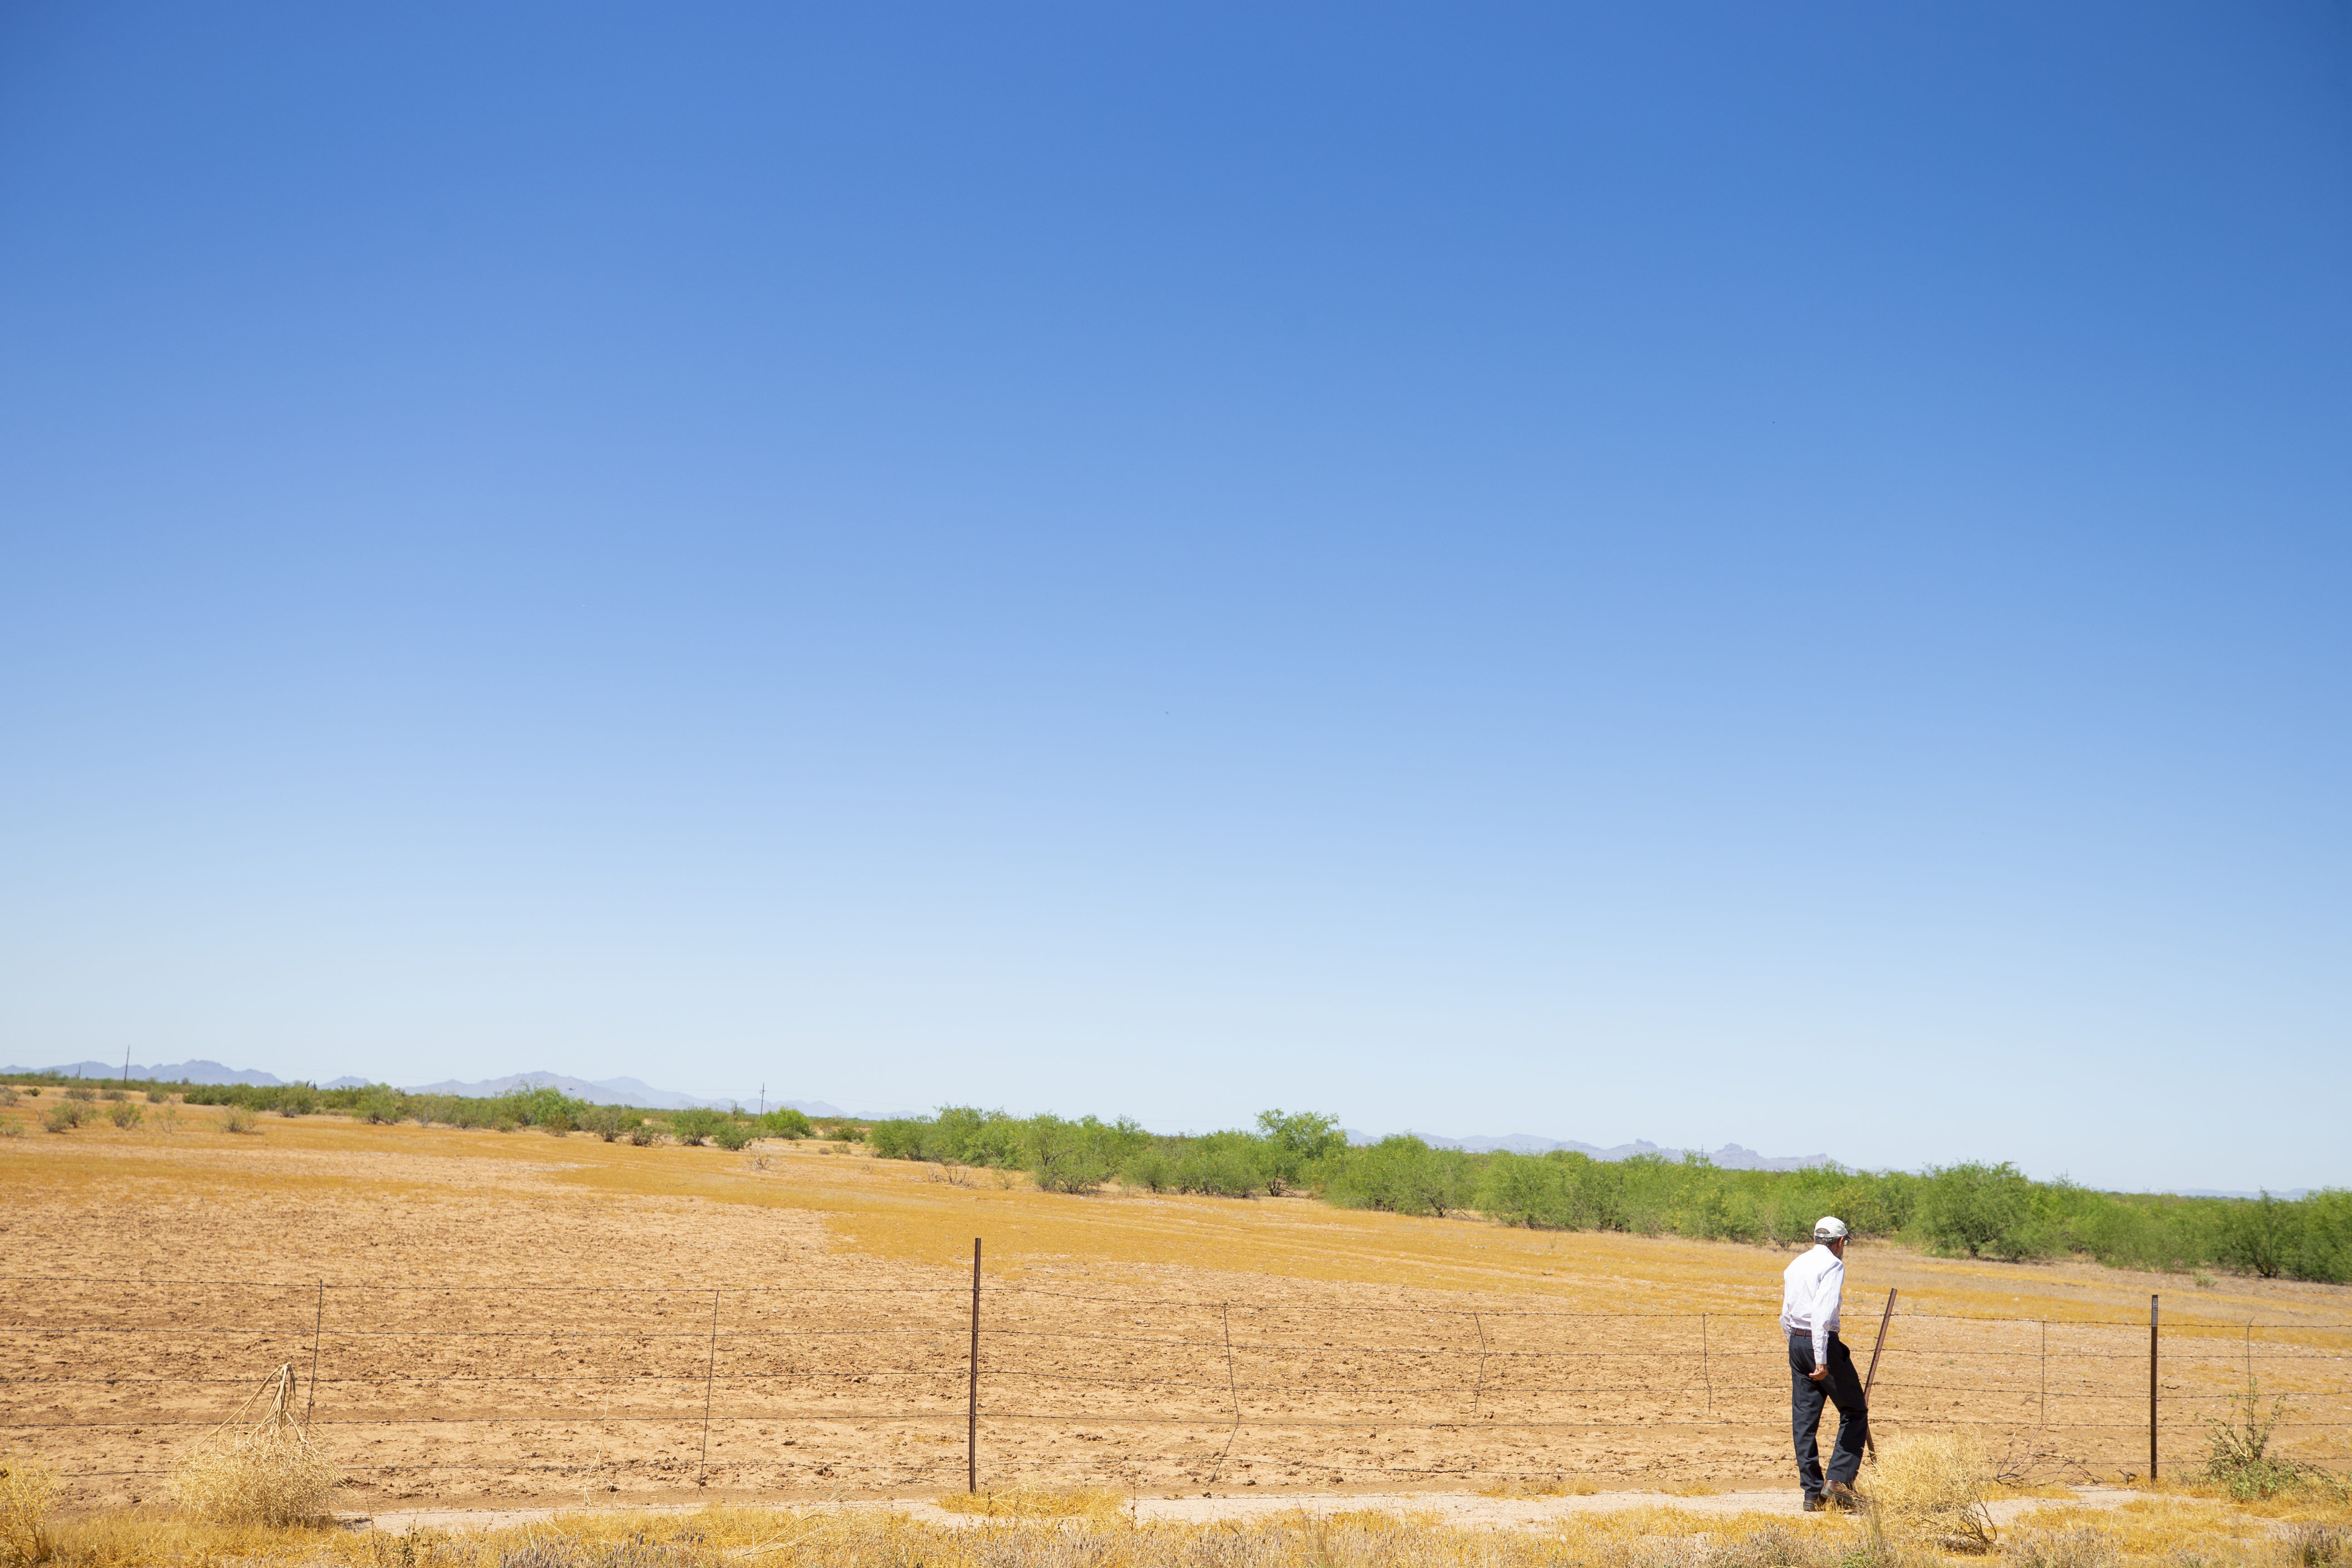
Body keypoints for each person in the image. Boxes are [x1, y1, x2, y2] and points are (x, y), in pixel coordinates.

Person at [1781, 1215, 1867, 1510]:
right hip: (1822, 1345)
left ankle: (1812, 1494)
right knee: (1854, 1410)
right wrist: (1820, 1358)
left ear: (1817, 1238)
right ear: (1841, 1242)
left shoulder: (1796, 1264)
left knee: (1804, 1420)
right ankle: (1838, 1483)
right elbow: (1822, 1314)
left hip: (1796, 1341)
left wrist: (1797, 1347)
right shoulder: (1833, 1265)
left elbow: (1785, 1314)